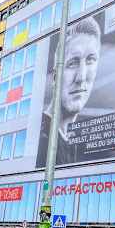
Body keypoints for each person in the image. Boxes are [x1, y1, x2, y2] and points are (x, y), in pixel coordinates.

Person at [36, 17, 101, 167]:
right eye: (72, 63)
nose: (81, 77)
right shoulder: (43, 139)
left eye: (90, 59)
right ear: (54, 76)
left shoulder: (73, 139)